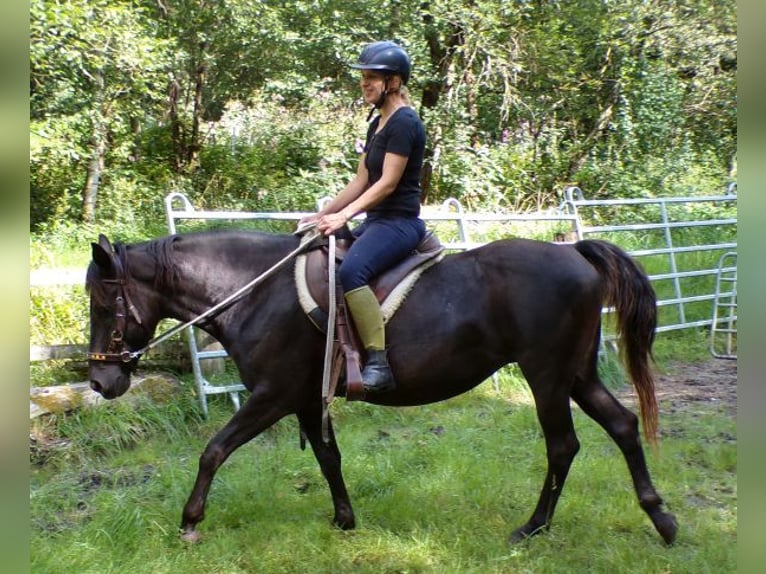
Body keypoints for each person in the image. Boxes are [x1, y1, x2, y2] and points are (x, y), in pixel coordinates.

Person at [300, 41, 427, 395]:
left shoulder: (404, 121)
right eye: (363, 78)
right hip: (376, 221)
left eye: (372, 78)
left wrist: (343, 216)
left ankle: (379, 363)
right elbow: (361, 180)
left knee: (353, 272)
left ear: (395, 82)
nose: (365, 84)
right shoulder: (378, 124)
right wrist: (322, 214)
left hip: (399, 223)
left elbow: (387, 184)